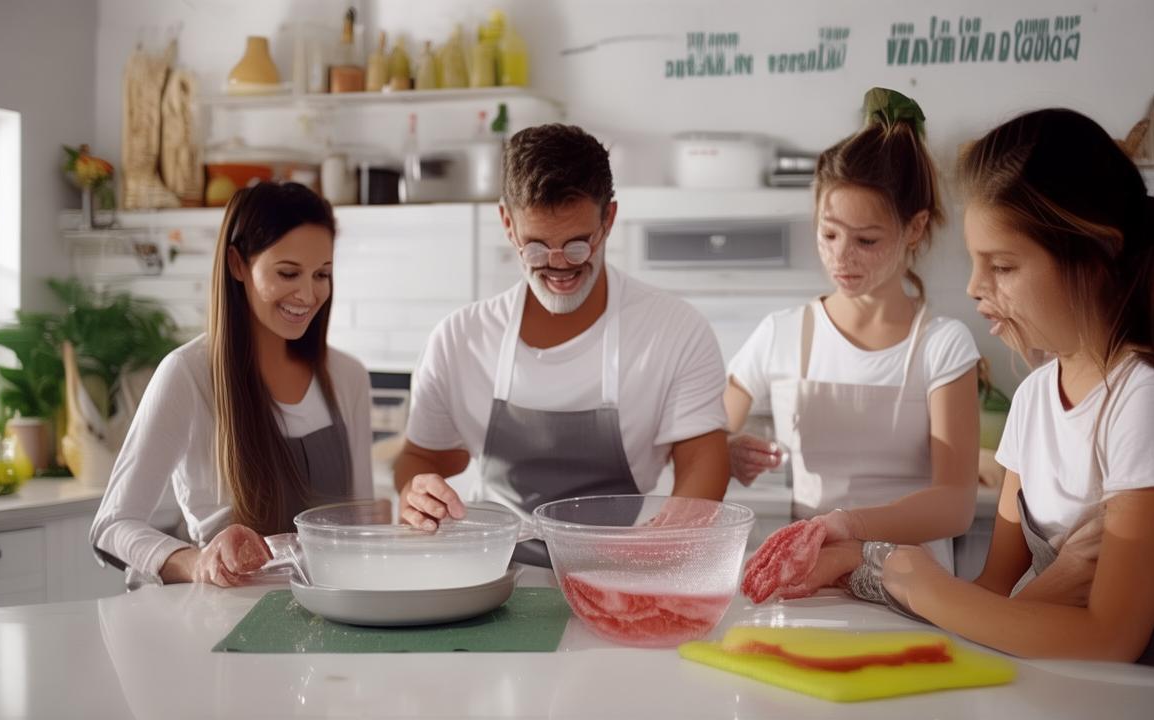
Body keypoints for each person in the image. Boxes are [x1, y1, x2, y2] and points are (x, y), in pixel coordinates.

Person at [800, 109, 1154, 675]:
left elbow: (1110, 637)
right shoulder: (1037, 396)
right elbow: (997, 595)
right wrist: (864, 564)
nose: (974, 287)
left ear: (1095, 258)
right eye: (975, 264)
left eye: (1004, 266)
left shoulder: (1148, 399)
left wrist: (912, 578)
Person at [395, 124, 730, 565]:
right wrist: (416, 491)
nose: (557, 266)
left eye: (577, 246)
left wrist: (669, 540)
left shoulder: (674, 330)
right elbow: (421, 456)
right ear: (507, 224)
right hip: (492, 575)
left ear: (608, 220)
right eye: (536, 247)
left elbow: (704, 459)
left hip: (622, 573)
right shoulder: (459, 339)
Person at [728, 89, 980, 572]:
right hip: (809, 578)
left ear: (915, 228)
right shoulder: (781, 333)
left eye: (866, 240)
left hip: (913, 586)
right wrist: (725, 452)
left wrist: (848, 525)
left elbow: (955, 503)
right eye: (828, 234)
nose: (841, 256)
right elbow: (702, 435)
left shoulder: (942, 345)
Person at [91, 181, 373, 587]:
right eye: (288, 272)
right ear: (238, 265)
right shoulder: (187, 375)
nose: (309, 294)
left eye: (322, 274)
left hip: (339, 619)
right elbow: (112, 525)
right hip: (229, 626)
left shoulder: (348, 378)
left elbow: (360, 524)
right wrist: (196, 561)